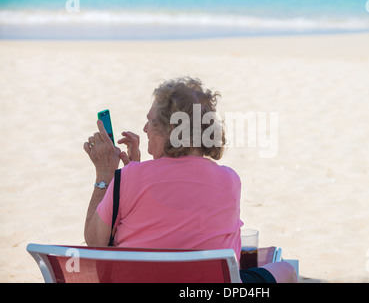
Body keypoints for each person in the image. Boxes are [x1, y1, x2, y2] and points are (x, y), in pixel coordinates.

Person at [83, 77, 297, 283]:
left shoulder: (129, 178)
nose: (145, 129)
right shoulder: (229, 180)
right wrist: (132, 175)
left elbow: (95, 244)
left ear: (170, 129)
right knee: (286, 270)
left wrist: (106, 175)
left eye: (150, 121)